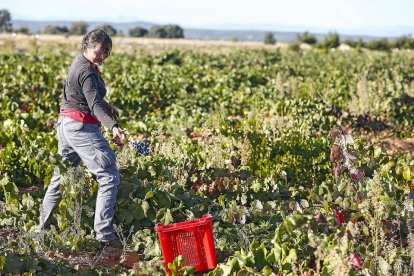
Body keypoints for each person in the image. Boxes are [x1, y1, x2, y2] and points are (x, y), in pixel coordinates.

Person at [38, 29, 123, 248]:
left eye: (107, 52)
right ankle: (104, 235)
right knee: (108, 174)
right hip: (81, 128)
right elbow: (93, 104)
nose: (103, 55)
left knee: (59, 178)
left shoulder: (81, 63)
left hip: (67, 125)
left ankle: (40, 232)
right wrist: (113, 127)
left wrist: (107, 107)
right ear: (86, 46)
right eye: (99, 51)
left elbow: (88, 98)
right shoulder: (86, 71)